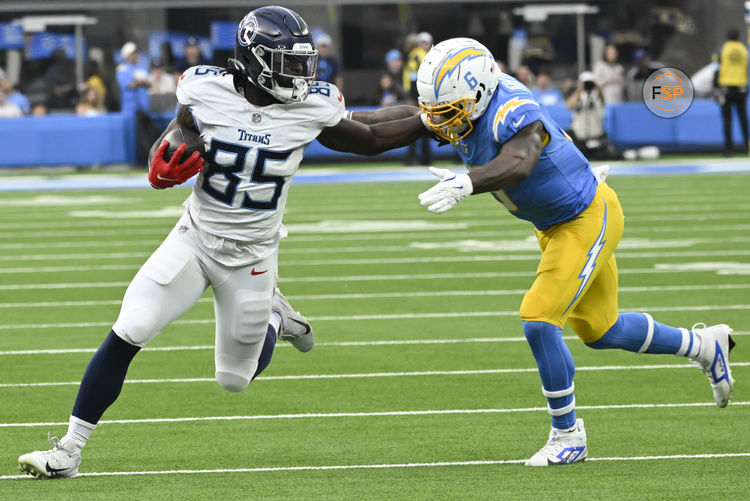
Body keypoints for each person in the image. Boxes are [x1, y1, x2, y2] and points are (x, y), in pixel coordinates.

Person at [18, 5, 429, 479]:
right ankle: (69, 450)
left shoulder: (311, 105)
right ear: (253, 60)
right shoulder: (204, 88)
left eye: (302, 63)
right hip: (195, 239)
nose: (298, 74)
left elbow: (371, 137)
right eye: (287, 63)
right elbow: (181, 129)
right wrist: (161, 156)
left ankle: (277, 315)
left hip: (252, 255)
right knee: (129, 329)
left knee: (235, 380)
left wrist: (432, 120)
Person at [411, 38, 734, 465]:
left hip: (585, 217)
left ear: (480, 91)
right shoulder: (473, 103)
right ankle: (704, 345)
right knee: (602, 331)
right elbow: (391, 127)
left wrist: (467, 182)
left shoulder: (511, 110)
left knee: (539, 316)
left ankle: (568, 435)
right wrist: (331, 121)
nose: (442, 121)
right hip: (558, 225)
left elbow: (522, 160)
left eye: (450, 108)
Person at [715, 28, 749, 156]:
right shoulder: (744, 49)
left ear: (727, 36)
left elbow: (716, 67)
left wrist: (715, 85)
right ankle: (747, 146)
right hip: (741, 87)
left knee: (727, 119)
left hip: (726, 88)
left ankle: (729, 149)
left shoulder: (722, 49)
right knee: (743, 118)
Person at [403, 33, 431, 165]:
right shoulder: (421, 54)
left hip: (418, 95)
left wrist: (412, 95)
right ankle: (425, 158)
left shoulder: (416, 55)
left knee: (416, 125)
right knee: (423, 124)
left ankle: (414, 158)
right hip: (421, 94)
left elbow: (414, 77)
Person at [566, 71, 607, 158]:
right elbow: (569, 105)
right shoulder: (579, 96)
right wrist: (580, 89)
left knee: (601, 155)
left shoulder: (597, 96)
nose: (588, 85)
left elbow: (603, 100)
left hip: (595, 135)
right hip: (579, 136)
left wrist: (596, 86)